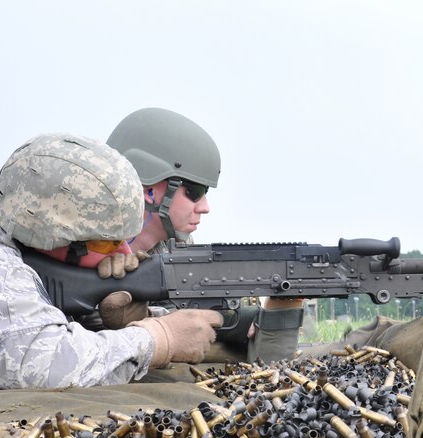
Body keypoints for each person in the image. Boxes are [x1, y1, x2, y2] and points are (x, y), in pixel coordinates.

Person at [0, 133, 224, 389]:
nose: (126, 254)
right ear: (50, 237)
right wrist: (157, 338)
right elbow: (43, 367)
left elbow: (28, 325)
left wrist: (106, 319)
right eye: (106, 241)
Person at [98, 107, 304, 363]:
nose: (205, 207)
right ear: (147, 189)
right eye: (193, 191)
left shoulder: (177, 248)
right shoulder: (82, 249)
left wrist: (240, 318)